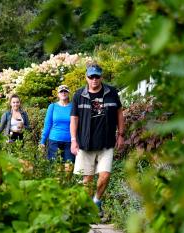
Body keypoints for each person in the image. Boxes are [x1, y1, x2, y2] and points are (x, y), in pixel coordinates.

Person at [70, 64, 125, 218]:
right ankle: (86, 209)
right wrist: (73, 140)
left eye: (97, 76)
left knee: (105, 175)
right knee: (87, 179)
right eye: (91, 76)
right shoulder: (79, 95)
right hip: (85, 143)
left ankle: (96, 201)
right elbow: (74, 119)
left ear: (101, 77)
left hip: (106, 142)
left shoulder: (111, 92)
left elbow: (120, 113)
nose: (94, 79)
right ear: (86, 77)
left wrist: (121, 134)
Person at [39, 85, 75, 171]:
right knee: (56, 169)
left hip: (69, 142)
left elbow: (77, 124)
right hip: (54, 141)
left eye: (65, 91)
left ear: (68, 93)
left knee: (69, 169)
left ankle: (66, 184)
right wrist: (42, 141)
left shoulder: (73, 107)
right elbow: (47, 124)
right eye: (61, 91)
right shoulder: (52, 106)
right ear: (58, 94)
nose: (63, 93)